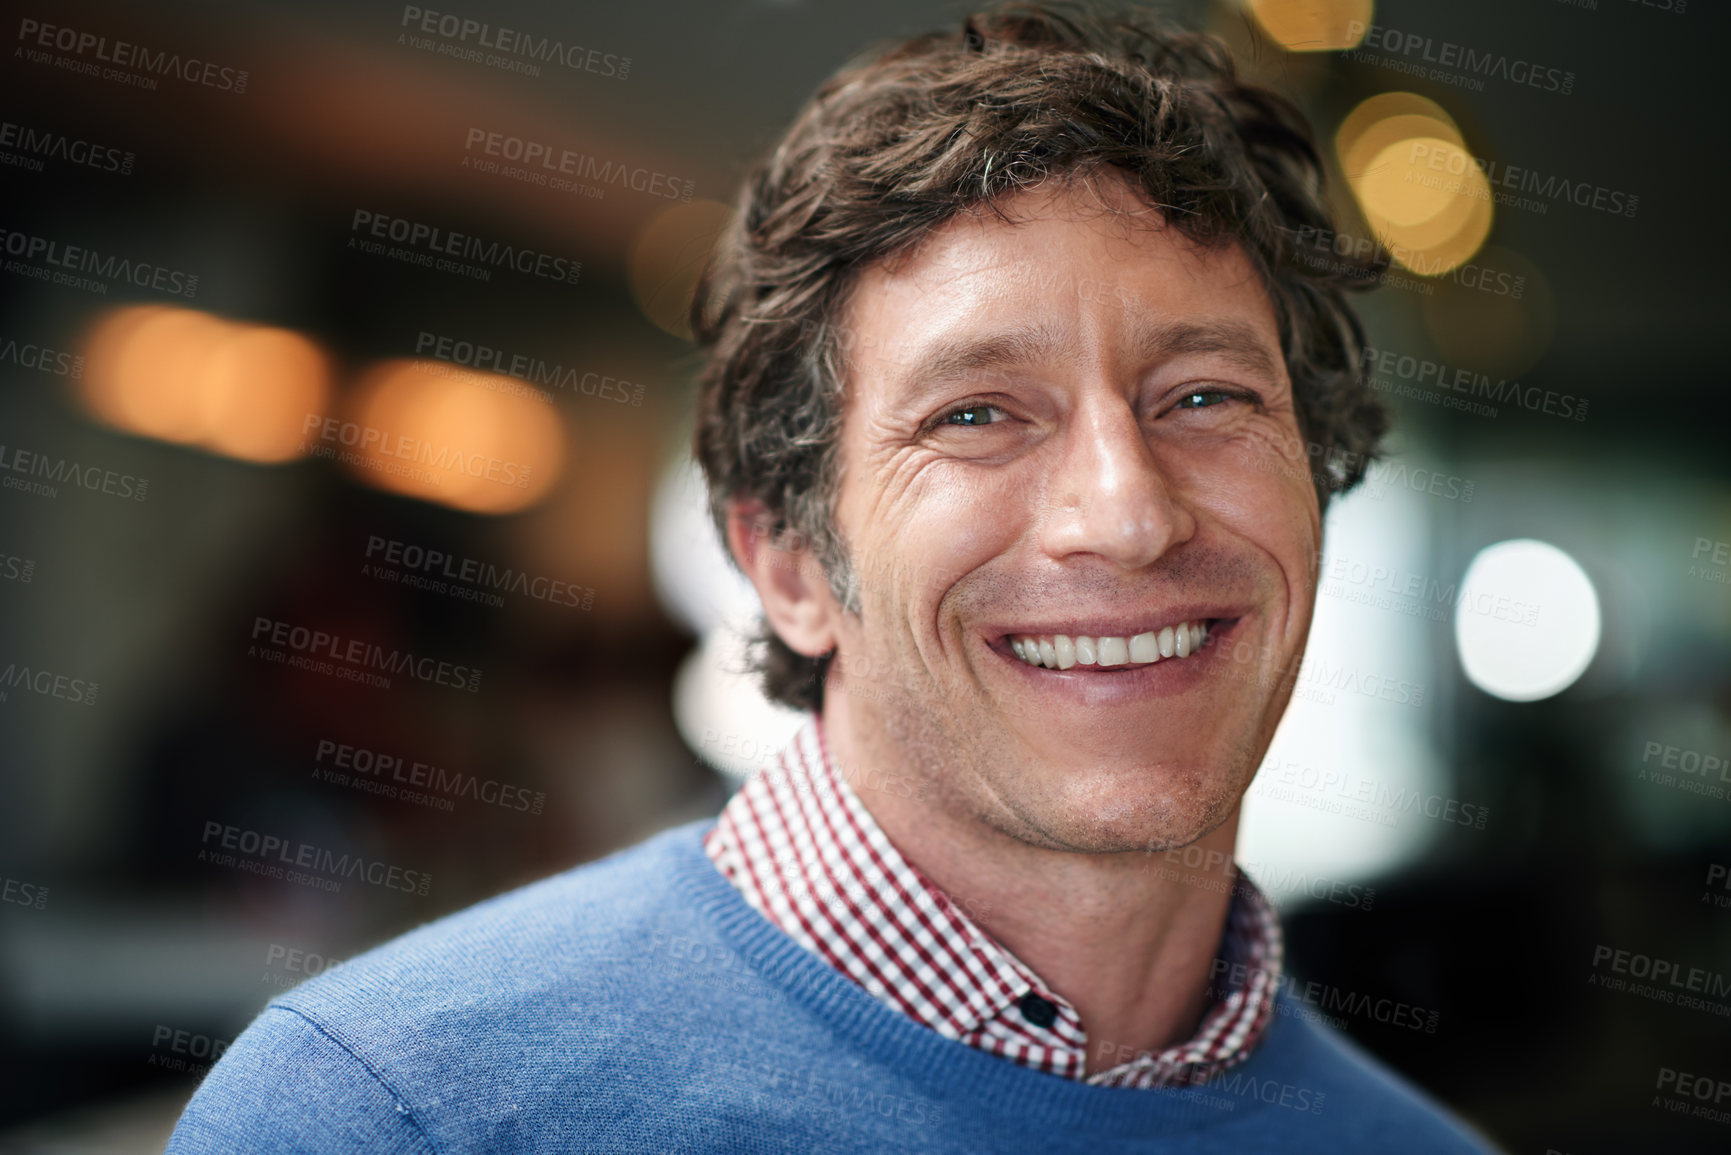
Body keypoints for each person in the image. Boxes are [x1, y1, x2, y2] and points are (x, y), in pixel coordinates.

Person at [169, 6, 1498, 1151]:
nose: (1128, 514)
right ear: (789, 561)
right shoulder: (392, 1118)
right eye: (977, 414)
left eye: (1205, 395)